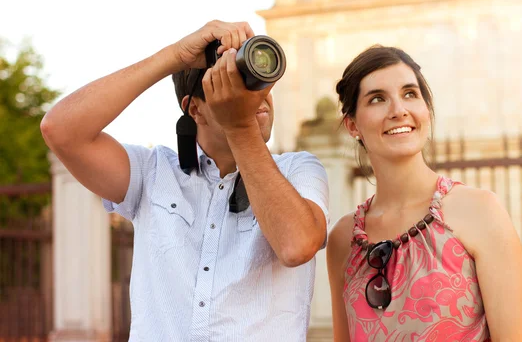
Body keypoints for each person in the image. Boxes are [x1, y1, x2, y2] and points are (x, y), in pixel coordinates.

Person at [40, 20, 329, 341]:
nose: (255, 97)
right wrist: (174, 56)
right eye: (229, 84)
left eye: (256, 84)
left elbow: (297, 246)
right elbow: (60, 130)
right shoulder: (152, 170)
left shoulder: (299, 169)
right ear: (195, 109)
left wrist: (239, 127)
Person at [327, 45, 522, 341]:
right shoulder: (343, 240)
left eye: (410, 94)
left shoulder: (478, 211)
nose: (399, 110)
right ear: (352, 125)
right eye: (377, 99)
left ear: (426, 109)